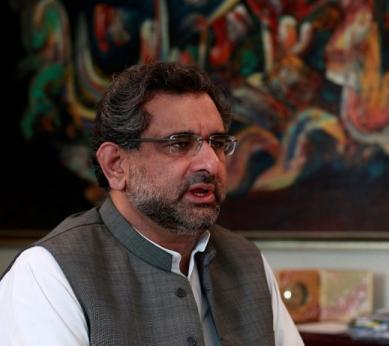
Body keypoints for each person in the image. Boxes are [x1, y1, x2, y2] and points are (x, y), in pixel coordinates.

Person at [0, 62, 303, 345]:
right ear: (116, 165)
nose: (211, 164)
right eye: (180, 144)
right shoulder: (46, 273)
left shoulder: (247, 262)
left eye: (218, 143)